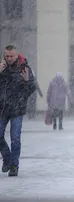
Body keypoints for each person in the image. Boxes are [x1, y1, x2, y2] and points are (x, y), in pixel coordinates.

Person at [0, 45, 36, 176]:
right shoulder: (1, 68)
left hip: (17, 108)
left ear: (17, 55)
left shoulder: (24, 68)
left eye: (11, 56)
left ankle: (14, 165)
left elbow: (31, 89)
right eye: (7, 56)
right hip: (2, 108)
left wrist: (27, 81)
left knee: (15, 138)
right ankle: (7, 158)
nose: (9, 58)